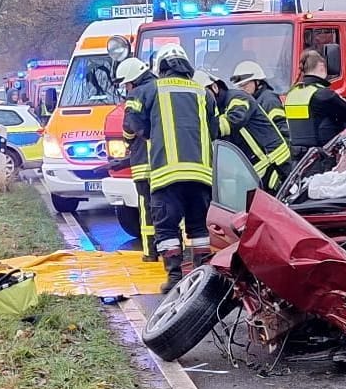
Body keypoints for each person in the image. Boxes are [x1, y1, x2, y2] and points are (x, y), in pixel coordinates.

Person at [126, 44, 216, 291]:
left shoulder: (149, 90)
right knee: (198, 228)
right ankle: (202, 275)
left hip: (166, 174)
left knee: (166, 227)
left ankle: (175, 276)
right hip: (201, 175)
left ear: (161, 67)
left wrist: (149, 134)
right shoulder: (203, 93)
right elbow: (215, 130)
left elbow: (132, 120)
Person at [204, 70, 292, 190]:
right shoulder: (217, 109)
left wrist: (202, 129)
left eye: (204, 94)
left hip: (274, 165)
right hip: (254, 172)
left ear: (214, 87)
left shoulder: (237, 97)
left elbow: (233, 120)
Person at [114, 56, 157, 260]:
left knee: (146, 207)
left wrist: (129, 142)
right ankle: (181, 253)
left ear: (132, 81)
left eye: (126, 85)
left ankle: (150, 253)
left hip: (143, 162)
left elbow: (129, 126)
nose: (127, 89)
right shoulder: (163, 89)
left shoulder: (137, 95)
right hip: (168, 162)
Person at [284, 48, 346, 158]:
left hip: (298, 159)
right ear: (322, 67)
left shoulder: (292, 93)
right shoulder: (323, 94)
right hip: (321, 158)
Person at [231, 61, 287, 138]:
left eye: (245, 85)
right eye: (240, 87)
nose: (242, 90)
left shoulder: (269, 100)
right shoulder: (253, 100)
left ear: (257, 82)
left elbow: (281, 127)